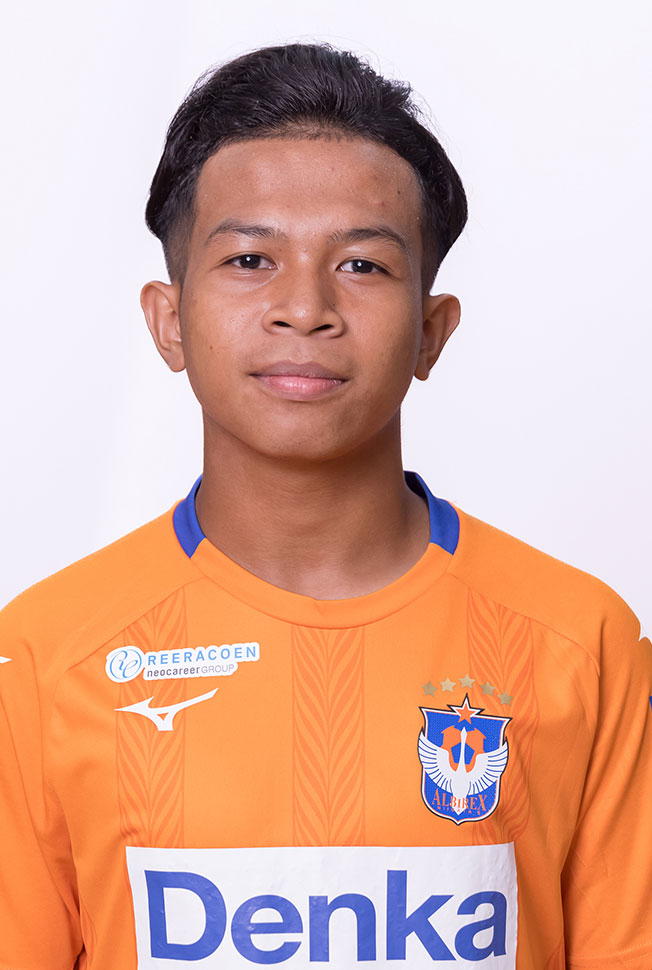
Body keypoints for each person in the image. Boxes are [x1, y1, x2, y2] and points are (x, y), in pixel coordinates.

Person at [0, 41, 650, 970]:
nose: (303, 308)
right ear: (169, 321)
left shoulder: (582, 641)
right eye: (250, 258)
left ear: (431, 332)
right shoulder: (41, 656)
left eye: (363, 266)